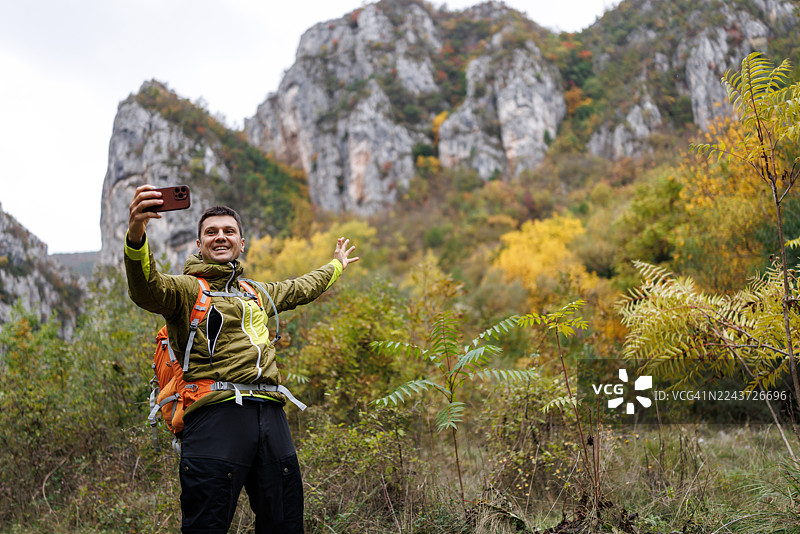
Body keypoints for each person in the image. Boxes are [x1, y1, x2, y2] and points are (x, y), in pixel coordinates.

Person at [125, 184, 359, 533]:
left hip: (271, 413)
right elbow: (146, 287)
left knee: (285, 521)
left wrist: (336, 265)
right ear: (199, 245)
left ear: (241, 243)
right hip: (214, 416)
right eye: (211, 232)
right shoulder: (187, 290)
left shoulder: (257, 293)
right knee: (207, 525)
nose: (221, 237)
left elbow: (302, 287)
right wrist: (136, 233)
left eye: (228, 231)